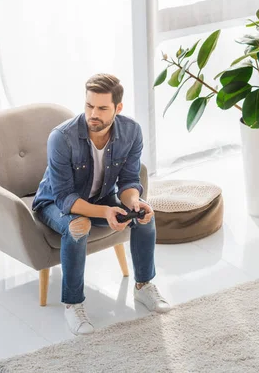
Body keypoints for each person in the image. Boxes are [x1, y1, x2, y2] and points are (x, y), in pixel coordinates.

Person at [33, 73, 170, 335]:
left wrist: (133, 202)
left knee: (143, 216)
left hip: (101, 197)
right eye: (89, 106)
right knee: (78, 226)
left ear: (118, 108)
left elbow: (129, 180)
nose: (93, 114)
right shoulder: (61, 137)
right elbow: (64, 197)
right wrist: (104, 212)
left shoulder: (131, 131)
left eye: (102, 108)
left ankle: (144, 286)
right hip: (54, 202)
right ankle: (73, 304)